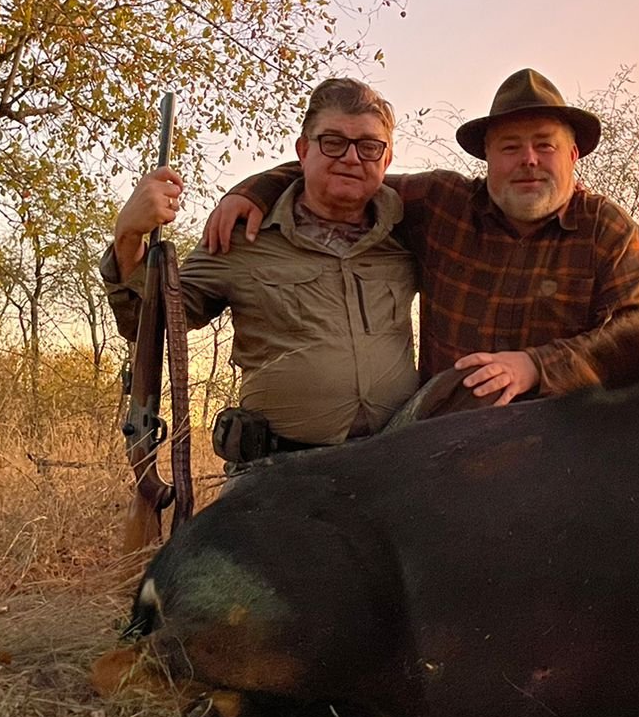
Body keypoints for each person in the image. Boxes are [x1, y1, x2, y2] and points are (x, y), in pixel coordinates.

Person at [205, 69, 639, 406]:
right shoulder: (442, 202)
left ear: (572, 154)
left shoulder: (607, 229)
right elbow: (352, 170)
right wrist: (255, 189)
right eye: (510, 147)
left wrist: (536, 365)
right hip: (439, 447)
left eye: (545, 145)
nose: (529, 160)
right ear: (488, 158)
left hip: (557, 443)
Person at [101, 78, 418, 458]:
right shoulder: (239, 235)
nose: (351, 158)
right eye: (332, 142)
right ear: (303, 151)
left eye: (369, 147)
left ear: (386, 159)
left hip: (395, 461)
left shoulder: (412, 230)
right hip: (276, 470)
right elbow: (146, 323)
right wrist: (129, 235)